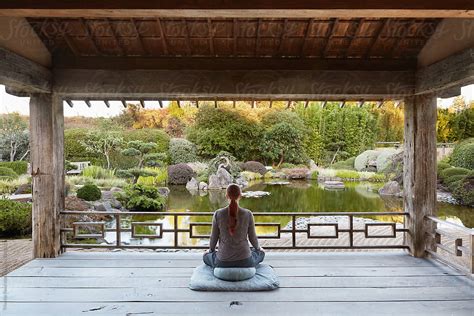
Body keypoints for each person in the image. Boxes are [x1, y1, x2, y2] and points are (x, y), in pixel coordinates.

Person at [203, 184, 265, 268]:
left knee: (205, 256)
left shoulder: (218, 214)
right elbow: (252, 238)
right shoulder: (248, 214)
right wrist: (258, 248)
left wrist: (210, 251)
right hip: (245, 261)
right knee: (261, 253)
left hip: (222, 261)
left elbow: (214, 238)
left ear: (226, 196)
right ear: (240, 196)